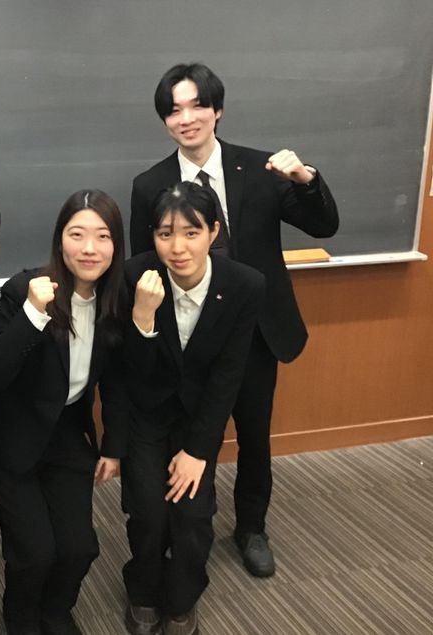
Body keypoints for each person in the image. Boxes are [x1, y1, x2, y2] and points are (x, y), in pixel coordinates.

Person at [128, 62, 339, 577]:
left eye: (197, 105)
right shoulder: (150, 184)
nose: (186, 118)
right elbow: (144, 264)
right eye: (174, 110)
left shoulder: (263, 169)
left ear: (217, 110)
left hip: (256, 330)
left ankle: (252, 527)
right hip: (186, 335)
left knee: (254, 434)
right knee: (187, 431)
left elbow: (324, 226)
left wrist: (305, 178)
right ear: (164, 120)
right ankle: (186, 521)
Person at [0, 190, 128, 635]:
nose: (89, 248)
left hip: (66, 434)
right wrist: (33, 313)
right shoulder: (24, 290)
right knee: (34, 552)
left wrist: (113, 446)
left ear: (116, 245)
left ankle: (55, 610)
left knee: (79, 549)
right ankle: (20, 617)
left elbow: (118, 382)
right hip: (12, 436)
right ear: (59, 240)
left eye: (102, 236)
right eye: (76, 234)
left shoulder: (115, 301)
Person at [123, 183, 265, 635]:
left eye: (191, 232)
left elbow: (228, 377)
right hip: (147, 414)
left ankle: (182, 600)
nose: (178, 247)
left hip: (199, 418)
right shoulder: (136, 275)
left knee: (192, 516)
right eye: (165, 234)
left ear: (214, 232)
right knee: (148, 511)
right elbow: (131, 373)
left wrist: (199, 451)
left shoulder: (244, 285)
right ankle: (143, 590)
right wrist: (142, 317)